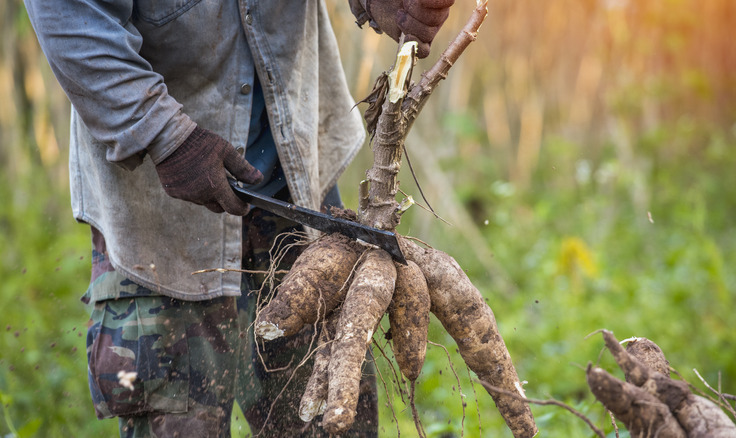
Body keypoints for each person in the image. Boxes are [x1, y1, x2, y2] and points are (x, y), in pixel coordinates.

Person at [24, 0, 453, 436]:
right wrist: (163, 134)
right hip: (162, 220)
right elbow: (70, 18)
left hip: (300, 189)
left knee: (332, 420)